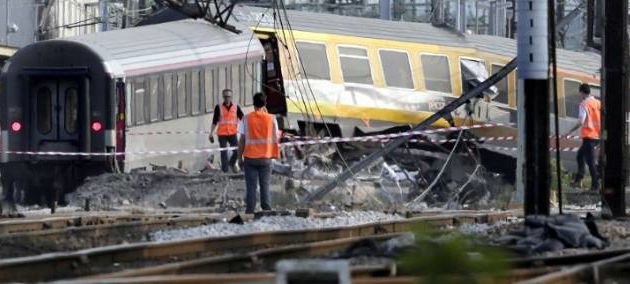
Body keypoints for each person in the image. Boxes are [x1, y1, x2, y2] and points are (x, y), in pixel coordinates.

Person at [237, 93, 279, 214]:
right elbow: (276, 136)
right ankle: (266, 210)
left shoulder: (246, 118)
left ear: (253, 103)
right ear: (265, 104)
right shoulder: (271, 119)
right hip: (266, 157)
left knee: (251, 187)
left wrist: (239, 158)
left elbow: (242, 140)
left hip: (250, 158)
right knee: (265, 186)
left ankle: (250, 212)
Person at [564, 83, 601, 191]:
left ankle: (595, 185)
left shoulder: (584, 104)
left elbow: (581, 121)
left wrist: (569, 132)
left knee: (590, 162)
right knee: (580, 156)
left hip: (589, 136)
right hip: (597, 136)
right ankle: (579, 179)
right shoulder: (598, 103)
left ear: (582, 92)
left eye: (580, 93)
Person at [209, 89, 244, 173]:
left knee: (237, 151)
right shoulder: (219, 107)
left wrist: (245, 130)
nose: (227, 98)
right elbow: (214, 121)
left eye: (228, 96)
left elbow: (243, 119)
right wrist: (211, 133)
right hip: (222, 134)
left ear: (231, 97)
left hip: (232, 133)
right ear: (223, 97)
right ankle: (225, 171)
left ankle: (231, 163)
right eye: (225, 96)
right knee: (223, 152)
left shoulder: (236, 107)